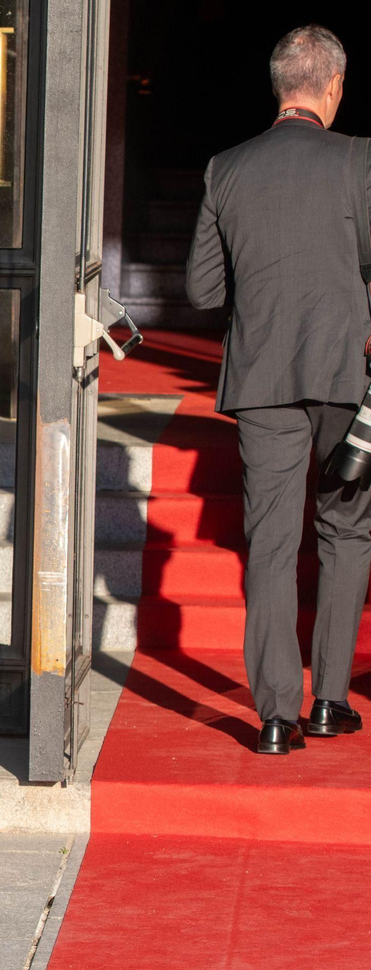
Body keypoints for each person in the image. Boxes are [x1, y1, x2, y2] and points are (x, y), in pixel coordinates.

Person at [187, 24, 371, 755]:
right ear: (334, 86)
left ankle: (273, 716)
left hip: (261, 375)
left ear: (279, 86)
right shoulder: (358, 159)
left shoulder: (225, 167)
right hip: (344, 371)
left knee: (269, 542)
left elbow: (203, 289)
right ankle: (329, 700)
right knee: (345, 529)